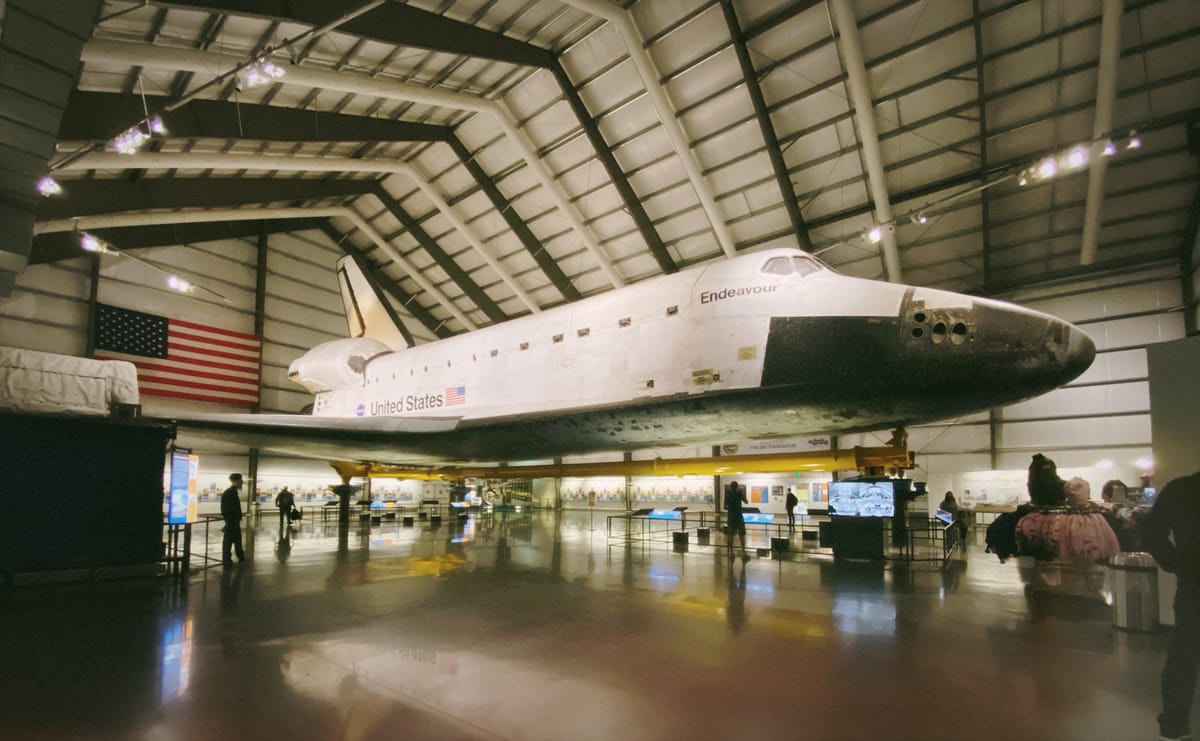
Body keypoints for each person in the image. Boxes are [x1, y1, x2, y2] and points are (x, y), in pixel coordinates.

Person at [1144, 470, 1200, 741]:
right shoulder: (1183, 488)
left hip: (1193, 585)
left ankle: (1174, 727)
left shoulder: (1182, 488)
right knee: (1183, 656)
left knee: (1183, 657)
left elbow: (1152, 532)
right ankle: (1174, 726)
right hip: (1193, 586)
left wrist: (1178, 565)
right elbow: (1153, 533)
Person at [221, 472, 246, 565]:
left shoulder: (232, 492)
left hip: (234, 521)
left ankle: (240, 557)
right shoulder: (229, 493)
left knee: (236, 540)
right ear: (237, 481)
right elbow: (225, 509)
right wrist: (231, 521)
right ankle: (227, 559)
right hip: (232, 522)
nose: (242, 482)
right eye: (241, 480)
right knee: (229, 541)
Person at [724, 480, 749, 561]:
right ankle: (743, 552)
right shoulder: (739, 493)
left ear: (730, 486)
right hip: (739, 516)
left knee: (730, 534)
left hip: (731, 516)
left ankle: (731, 552)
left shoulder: (727, 495)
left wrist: (730, 508)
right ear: (737, 486)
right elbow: (746, 502)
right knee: (741, 534)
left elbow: (725, 506)